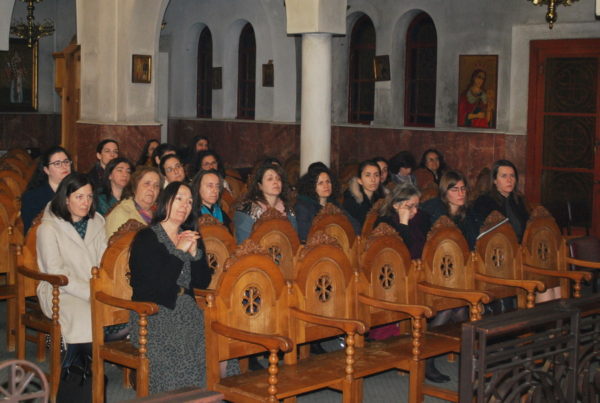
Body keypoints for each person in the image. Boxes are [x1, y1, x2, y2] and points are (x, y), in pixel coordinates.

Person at [128, 181, 212, 393]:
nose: (185, 205)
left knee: (214, 342)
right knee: (182, 346)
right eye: (179, 199)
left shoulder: (189, 234)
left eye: (190, 201)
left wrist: (195, 254)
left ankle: (210, 395)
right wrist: (180, 252)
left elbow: (202, 283)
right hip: (153, 312)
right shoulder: (147, 238)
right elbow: (158, 287)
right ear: (166, 201)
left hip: (187, 309)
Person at [374, 183, 451, 383]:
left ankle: (428, 351)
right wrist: (403, 222)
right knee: (441, 307)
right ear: (396, 205)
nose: (415, 211)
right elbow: (401, 253)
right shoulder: (384, 223)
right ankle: (427, 359)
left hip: (422, 275)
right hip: (396, 282)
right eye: (410, 206)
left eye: (417, 205)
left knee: (456, 307)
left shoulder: (421, 219)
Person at [36, 173, 107, 353]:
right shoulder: (48, 227)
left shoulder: (97, 222)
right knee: (84, 315)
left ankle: (101, 359)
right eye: (79, 197)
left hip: (94, 286)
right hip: (59, 290)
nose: (86, 202)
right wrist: (88, 292)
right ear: (66, 199)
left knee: (123, 310)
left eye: (89, 197)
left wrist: (101, 288)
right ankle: (76, 362)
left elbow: (104, 260)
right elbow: (55, 271)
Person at [473, 160, 532, 306]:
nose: (509, 180)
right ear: (494, 180)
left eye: (512, 176)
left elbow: (527, 229)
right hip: (496, 256)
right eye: (504, 176)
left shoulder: (518, 200)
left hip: (519, 254)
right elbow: (484, 236)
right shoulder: (484, 202)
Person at [233, 162, 297, 243]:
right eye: (270, 179)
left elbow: (294, 242)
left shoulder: (288, 210)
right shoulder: (247, 210)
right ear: (260, 185)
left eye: (278, 179)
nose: (275, 182)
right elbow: (244, 244)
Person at [295, 165, 359, 242]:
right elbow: (304, 236)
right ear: (312, 186)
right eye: (320, 183)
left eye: (328, 182)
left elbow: (354, 225)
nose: (326, 186)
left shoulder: (334, 204)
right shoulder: (303, 207)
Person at [421, 170, 480, 250]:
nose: (461, 193)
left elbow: (475, 241)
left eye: (463, 188)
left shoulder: (469, 212)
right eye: (454, 190)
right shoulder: (435, 212)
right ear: (445, 192)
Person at [21, 146, 73, 234]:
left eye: (66, 162)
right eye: (57, 163)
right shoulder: (32, 197)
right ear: (46, 170)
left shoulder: (79, 191)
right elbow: (32, 231)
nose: (64, 166)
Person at [104, 166, 162, 238]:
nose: (152, 188)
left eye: (156, 185)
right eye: (147, 183)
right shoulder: (120, 213)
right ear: (135, 186)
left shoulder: (162, 213)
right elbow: (116, 245)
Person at [343, 159, 385, 229]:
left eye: (376, 175)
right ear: (359, 180)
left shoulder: (381, 198)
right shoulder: (351, 201)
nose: (373, 179)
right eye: (368, 175)